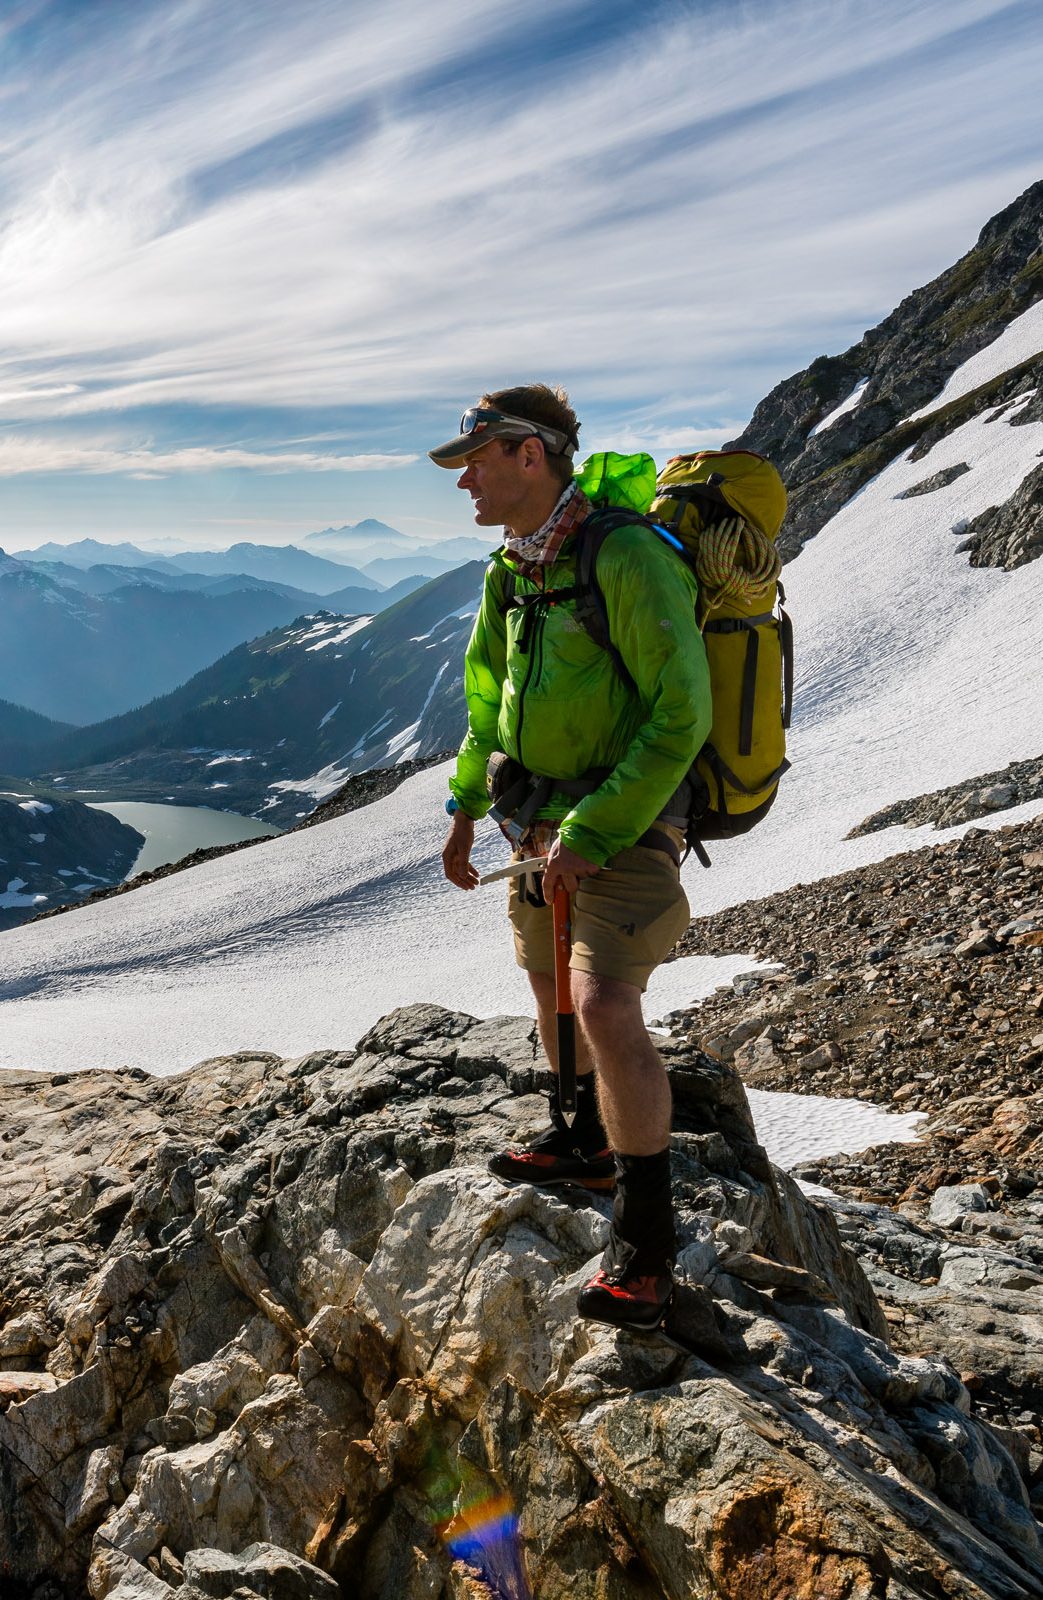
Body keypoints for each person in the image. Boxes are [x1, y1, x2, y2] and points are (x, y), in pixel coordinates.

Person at [431, 384, 711, 1333]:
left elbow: (682, 712)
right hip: (536, 818)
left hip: (626, 822)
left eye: (473, 460)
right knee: (545, 975)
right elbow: (487, 699)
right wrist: (465, 809)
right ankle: (578, 1134)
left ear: (528, 455)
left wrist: (591, 832)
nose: (462, 479)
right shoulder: (512, 570)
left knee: (601, 999)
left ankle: (645, 1246)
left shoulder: (623, 555)